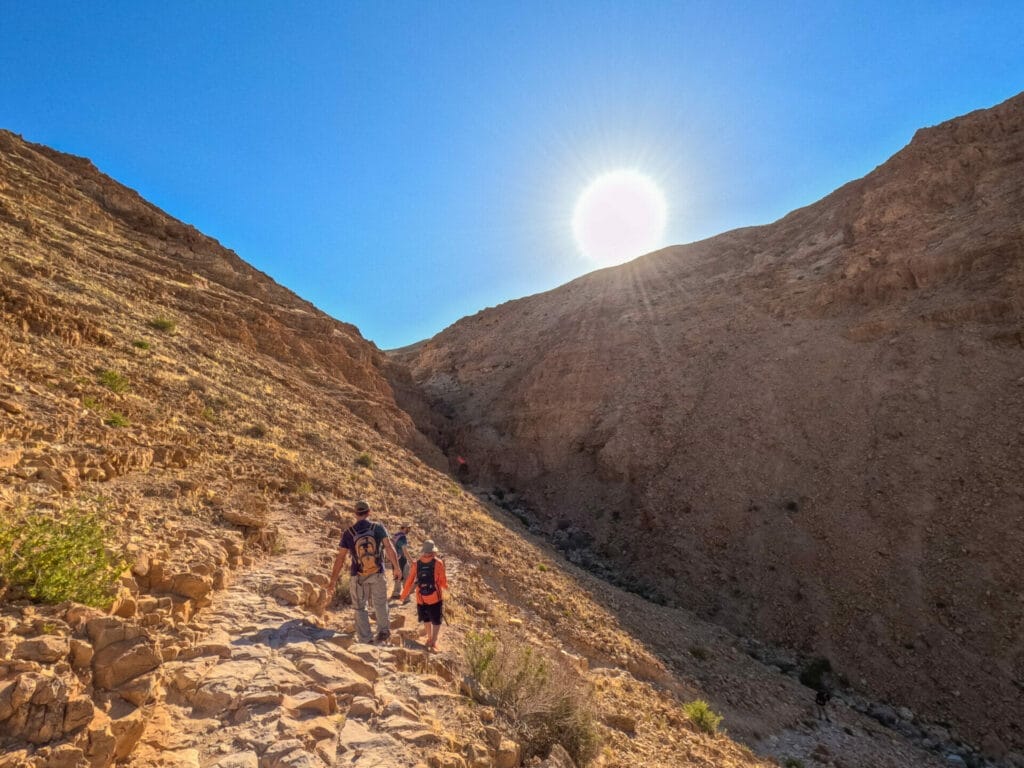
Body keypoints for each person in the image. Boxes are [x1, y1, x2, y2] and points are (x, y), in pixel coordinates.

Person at [327, 500, 403, 644]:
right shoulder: (378, 528)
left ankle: (366, 639)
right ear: (369, 512)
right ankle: (383, 632)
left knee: (360, 607)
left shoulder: (348, 533)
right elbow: (389, 548)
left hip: (358, 575)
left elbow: (340, 558)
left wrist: (332, 581)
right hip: (378, 572)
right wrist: (397, 568)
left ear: (355, 514)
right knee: (380, 603)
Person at [399, 539, 448, 651]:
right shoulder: (438, 563)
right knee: (436, 619)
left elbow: (410, 580)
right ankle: (434, 641)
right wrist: (444, 586)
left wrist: (404, 595)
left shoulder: (417, 564)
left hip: (421, 597)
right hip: (435, 597)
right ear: (433, 551)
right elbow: (442, 581)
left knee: (426, 619)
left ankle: (429, 638)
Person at [391, 523, 411, 600]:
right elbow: (405, 551)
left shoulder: (395, 535)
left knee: (397, 575)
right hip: (402, 559)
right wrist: (411, 561)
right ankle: (406, 596)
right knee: (406, 577)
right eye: (408, 528)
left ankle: (396, 593)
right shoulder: (403, 538)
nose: (409, 530)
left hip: (394, 559)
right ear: (404, 528)